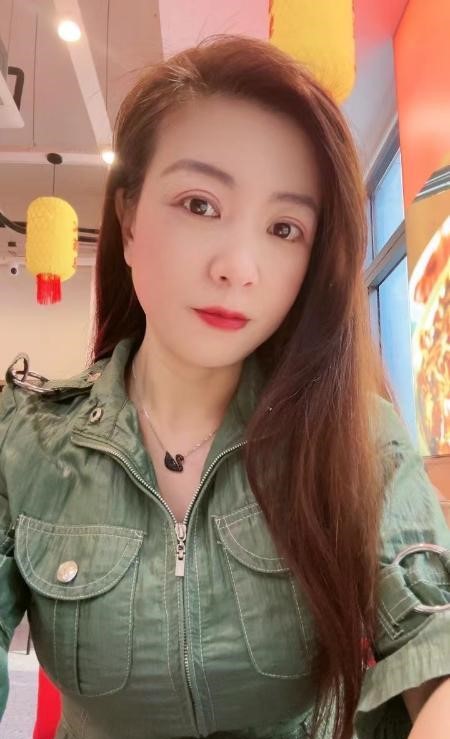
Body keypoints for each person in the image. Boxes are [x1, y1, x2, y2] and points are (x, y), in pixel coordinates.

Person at [0, 36, 449, 739]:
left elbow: (434, 638)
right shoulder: (25, 440)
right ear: (128, 219)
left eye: (284, 227)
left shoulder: (357, 438)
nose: (240, 266)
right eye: (200, 204)